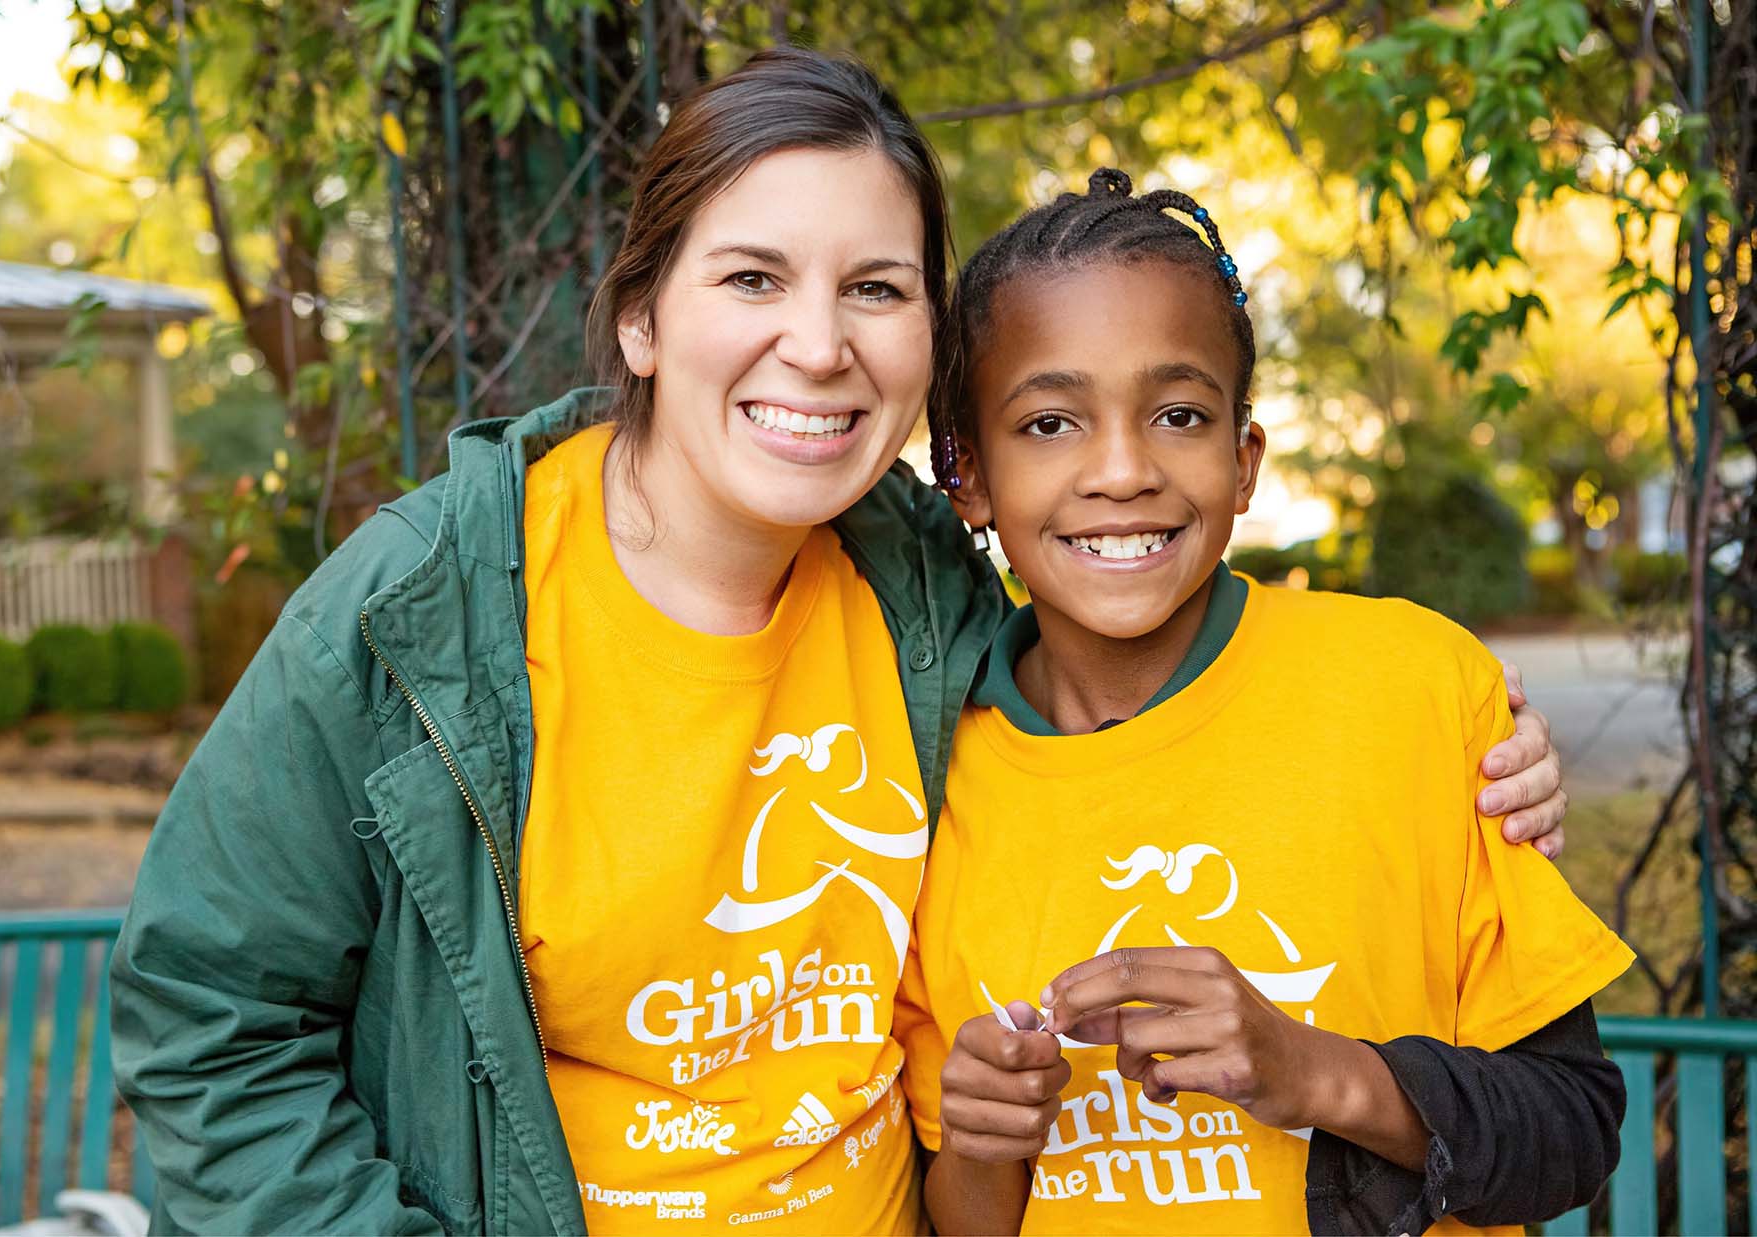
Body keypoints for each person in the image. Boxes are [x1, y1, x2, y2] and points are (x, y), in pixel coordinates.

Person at [109, 53, 1572, 1235]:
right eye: (753, 279)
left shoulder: (920, 584)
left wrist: (1467, 736)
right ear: (639, 319)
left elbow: (1144, 691)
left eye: (874, 289)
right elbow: (205, 1016)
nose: (820, 343)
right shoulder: (422, 611)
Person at [896, 169, 1631, 1236]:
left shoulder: (1416, 688)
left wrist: (1313, 1072)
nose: (1121, 470)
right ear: (966, 474)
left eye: (1179, 413)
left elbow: (1570, 1132)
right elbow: (971, 1220)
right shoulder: (926, 786)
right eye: (1050, 422)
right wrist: (981, 1134)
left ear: (1244, 461)